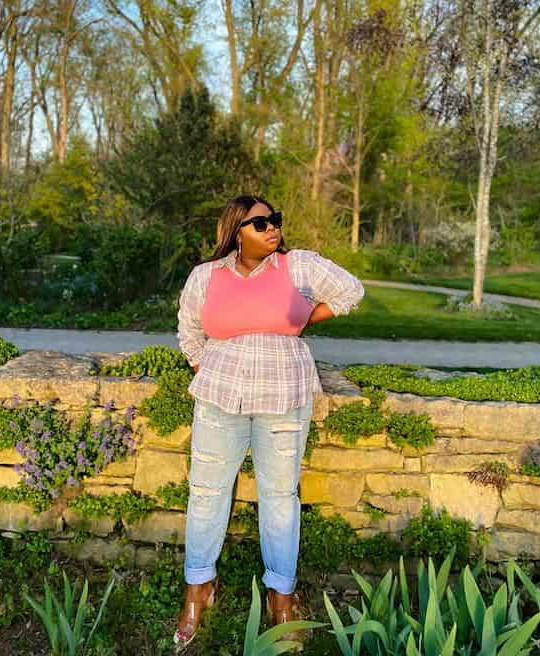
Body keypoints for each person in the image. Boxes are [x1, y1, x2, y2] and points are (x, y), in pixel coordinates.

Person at [173, 194, 365, 651]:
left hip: (284, 395)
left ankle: (281, 594)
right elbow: (189, 332)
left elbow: (351, 291)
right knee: (205, 493)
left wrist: (302, 318)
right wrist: (209, 366)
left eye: (275, 220)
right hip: (220, 398)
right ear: (236, 231)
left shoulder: (297, 266)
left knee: (279, 496)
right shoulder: (206, 276)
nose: (272, 228)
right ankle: (199, 588)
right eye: (260, 223)